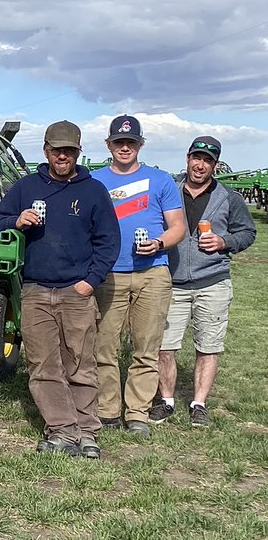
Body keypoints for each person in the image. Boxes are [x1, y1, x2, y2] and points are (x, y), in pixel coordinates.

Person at [0, 121, 120, 457]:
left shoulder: (93, 191)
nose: (62, 156)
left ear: (78, 152)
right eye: (56, 150)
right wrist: (17, 220)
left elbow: (109, 241)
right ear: (45, 151)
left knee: (80, 362)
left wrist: (90, 282)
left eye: (69, 151)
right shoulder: (27, 186)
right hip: (35, 290)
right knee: (43, 364)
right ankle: (63, 430)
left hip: (76, 291)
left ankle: (87, 431)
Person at [92, 115, 186, 438]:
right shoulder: (95, 181)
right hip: (108, 274)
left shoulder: (161, 181)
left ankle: (137, 413)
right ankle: (106, 410)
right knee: (104, 346)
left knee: (146, 348)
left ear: (140, 145)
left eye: (130, 142)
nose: (124, 147)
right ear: (109, 145)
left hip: (152, 274)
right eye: (119, 142)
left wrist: (158, 243)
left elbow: (178, 228)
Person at [152, 136, 256, 427]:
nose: (200, 165)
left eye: (207, 161)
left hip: (213, 281)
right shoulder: (167, 190)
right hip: (172, 281)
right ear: (187, 158)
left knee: (208, 346)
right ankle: (167, 401)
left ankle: (198, 403)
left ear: (215, 165)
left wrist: (225, 241)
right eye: (196, 158)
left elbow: (248, 233)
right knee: (164, 346)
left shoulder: (228, 198)